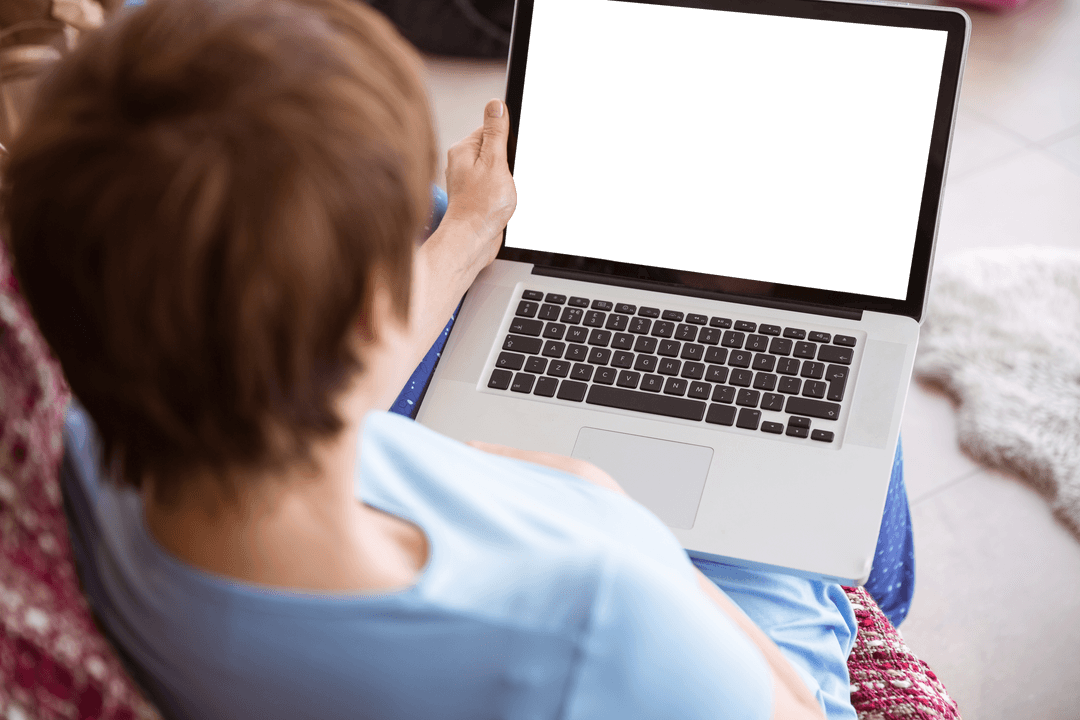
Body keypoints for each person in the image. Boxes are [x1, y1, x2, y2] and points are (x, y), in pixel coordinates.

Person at [2, 0, 887, 717]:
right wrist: (627, 527)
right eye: (398, 245)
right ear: (360, 322)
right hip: (708, 649)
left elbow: (267, 385)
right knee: (862, 490)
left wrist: (461, 232)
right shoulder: (597, 615)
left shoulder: (92, 453)